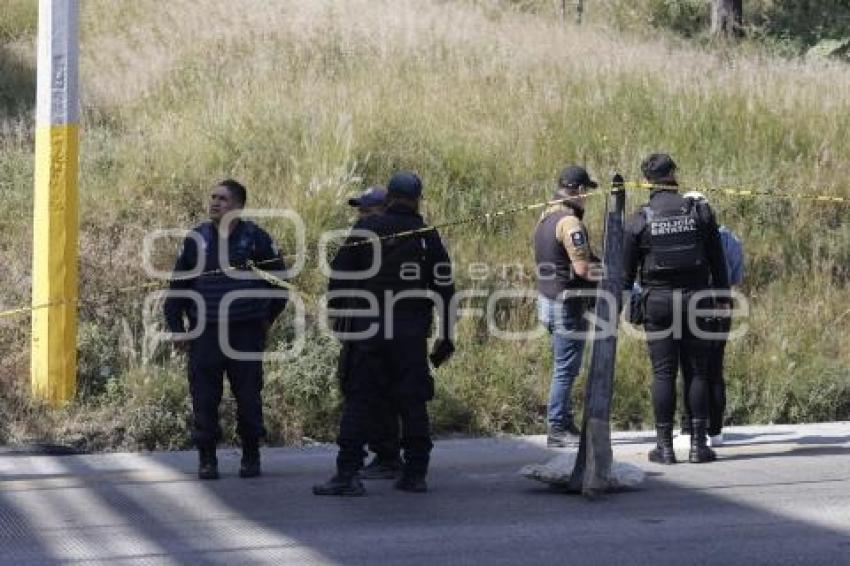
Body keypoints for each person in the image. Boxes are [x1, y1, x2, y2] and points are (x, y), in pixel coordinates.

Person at [314, 171, 456, 496]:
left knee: (359, 400)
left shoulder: (367, 229)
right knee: (413, 402)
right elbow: (445, 290)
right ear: (417, 200)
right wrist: (446, 336)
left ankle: (347, 474)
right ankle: (415, 474)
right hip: (410, 335)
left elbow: (338, 280)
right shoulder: (427, 236)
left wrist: (341, 319)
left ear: (389, 198)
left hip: (369, 331)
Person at [164, 179, 287, 480]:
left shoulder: (255, 238)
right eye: (213, 197)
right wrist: (176, 327)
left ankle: (251, 455)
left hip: (245, 333)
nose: (215, 203)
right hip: (205, 333)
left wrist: (265, 318)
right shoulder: (196, 239)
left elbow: (280, 283)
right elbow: (178, 287)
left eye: (223, 198)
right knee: (204, 397)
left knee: (248, 396)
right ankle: (207, 458)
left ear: (239, 206)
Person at [623, 154, 730, 464]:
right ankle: (698, 446)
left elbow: (625, 275)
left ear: (648, 181)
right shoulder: (699, 212)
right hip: (697, 299)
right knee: (697, 372)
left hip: (658, 303)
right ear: (672, 174)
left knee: (663, 374)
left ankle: (665, 447)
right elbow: (717, 259)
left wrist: (623, 304)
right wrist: (722, 297)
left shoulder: (639, 219)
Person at [533, 165, 600, 448]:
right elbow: (583, 268)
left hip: (547, 301)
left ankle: (564, 422)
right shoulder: (570, 223)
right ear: (580, 190)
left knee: (565, 367)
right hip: (566, 304)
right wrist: (611, 274)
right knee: (566, 370)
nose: (588, 198)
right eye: (587, 192)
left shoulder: (545, 216)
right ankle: (558, 428)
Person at [343, 186, 405, 479]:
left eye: (368, 211)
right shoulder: (365, 237)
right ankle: (385, 453)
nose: (361, 217)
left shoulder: (397, 239)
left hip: (382, 328)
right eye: (360, 211)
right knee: (372, 392)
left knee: (375, 392)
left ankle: (386, 455)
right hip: (366, 323)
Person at [674, 191, 744, 448]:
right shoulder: (730, 238)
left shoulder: (685, 235)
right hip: (722, 306)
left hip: (694, 305)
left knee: (691, 369)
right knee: (715, 368)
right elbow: (735, 278)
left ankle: (690, 429)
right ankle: (715, 430)